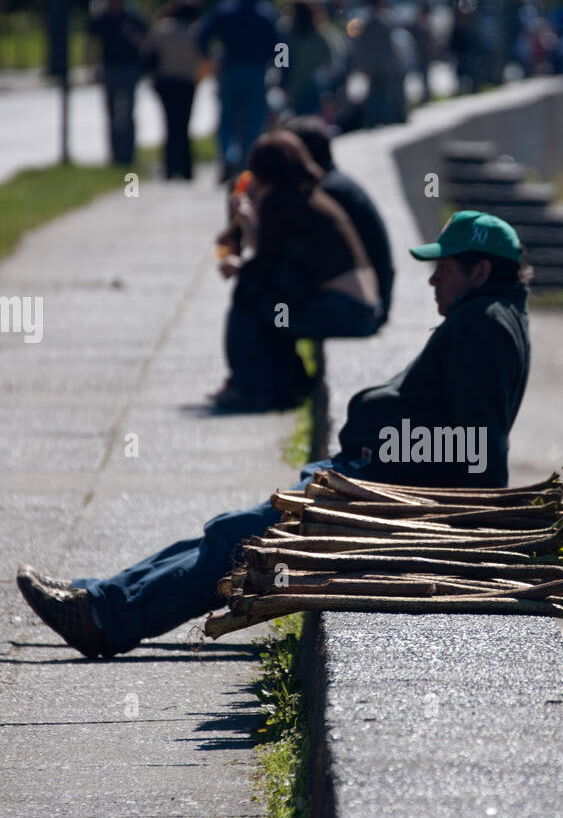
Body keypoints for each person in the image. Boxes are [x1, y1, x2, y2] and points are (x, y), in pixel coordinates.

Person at [16, 210, 531, 660]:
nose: (432, 279)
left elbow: (477, 454)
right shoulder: (491, 318)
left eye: (443, 267)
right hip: (362, 481)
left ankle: (105, 620)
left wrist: (382, 448)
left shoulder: (482, 328)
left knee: (238, 546)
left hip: (376, 498)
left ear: (479, 270)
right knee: (229, 531)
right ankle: (101, 596)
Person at [213, 132, 381, 412]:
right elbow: (273, 261)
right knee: (270, 305)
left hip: (345, 311)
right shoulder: (306, 197)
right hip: (360, 309)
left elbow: (262, 266)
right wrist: (249, 224)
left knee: (250, 303)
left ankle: (251, 388)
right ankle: (286, 383)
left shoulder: (280, 202)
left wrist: (242, 239)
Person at [279, 115, 395, 325]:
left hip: (364, 309)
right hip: (371, 302)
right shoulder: (338, 184)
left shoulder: (327, 193)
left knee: (273, 303)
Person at [198, 0, 279, 180]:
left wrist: (209, 57)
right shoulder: (266, 13)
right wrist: (280, 69)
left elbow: (201, 34)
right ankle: (246, 165)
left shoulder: (225, 10)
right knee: (253, 121)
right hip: (256, 72)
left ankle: (227, 157)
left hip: (229, 71)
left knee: (227, 119)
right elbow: (280, 45)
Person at [142, 0, 204, 180]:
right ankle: (185, 169)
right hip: (186, 82)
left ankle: (169, 167)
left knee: (169, 124)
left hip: (165, 81)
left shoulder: (163, 28)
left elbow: (147, 52)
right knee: (184, 125)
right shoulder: (196, 31)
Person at [87, 0, 148, 165]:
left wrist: (133, 36)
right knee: (111, 113)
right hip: (109, 69)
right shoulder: (102, 19)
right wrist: (90, 68)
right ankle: (115, 156)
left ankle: (128, 155)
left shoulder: (132, 18)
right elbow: (91, 42)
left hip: (129, 69)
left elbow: (146, 44)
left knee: (127, 113)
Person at [352, 0, 406, 127]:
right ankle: (382, 120)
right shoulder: (385, 22)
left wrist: (362, 64)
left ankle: (372, 121)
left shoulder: (363, 22)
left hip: (371, 65)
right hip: (384, 65)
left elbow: (359, 47)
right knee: (382, 94)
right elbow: (391, 46)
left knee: (373, 94)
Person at [280, 0, 333, 116]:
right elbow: (328, 59)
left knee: (295, 117)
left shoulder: (286, 34)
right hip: (313, 83)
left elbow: (280, 59)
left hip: (293, 84)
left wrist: (282, 80)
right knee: (311, 116)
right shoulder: (319, 35)